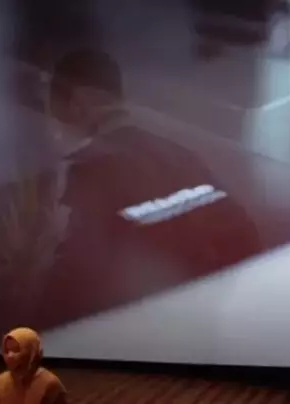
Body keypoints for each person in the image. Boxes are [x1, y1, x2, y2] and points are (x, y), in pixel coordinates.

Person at [36, 48, 262, 326]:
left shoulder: (90, 172)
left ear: (77, 102)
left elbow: (72, 280)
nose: (53, 125)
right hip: (197, 332)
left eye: (54, 107)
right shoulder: (180, 156)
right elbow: (245, 236)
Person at [0, 327, 67, 404]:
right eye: (7, 351)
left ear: (32, 351)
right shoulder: (1, 381)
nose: (10, 356)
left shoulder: (50, 384)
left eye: (16, 350)